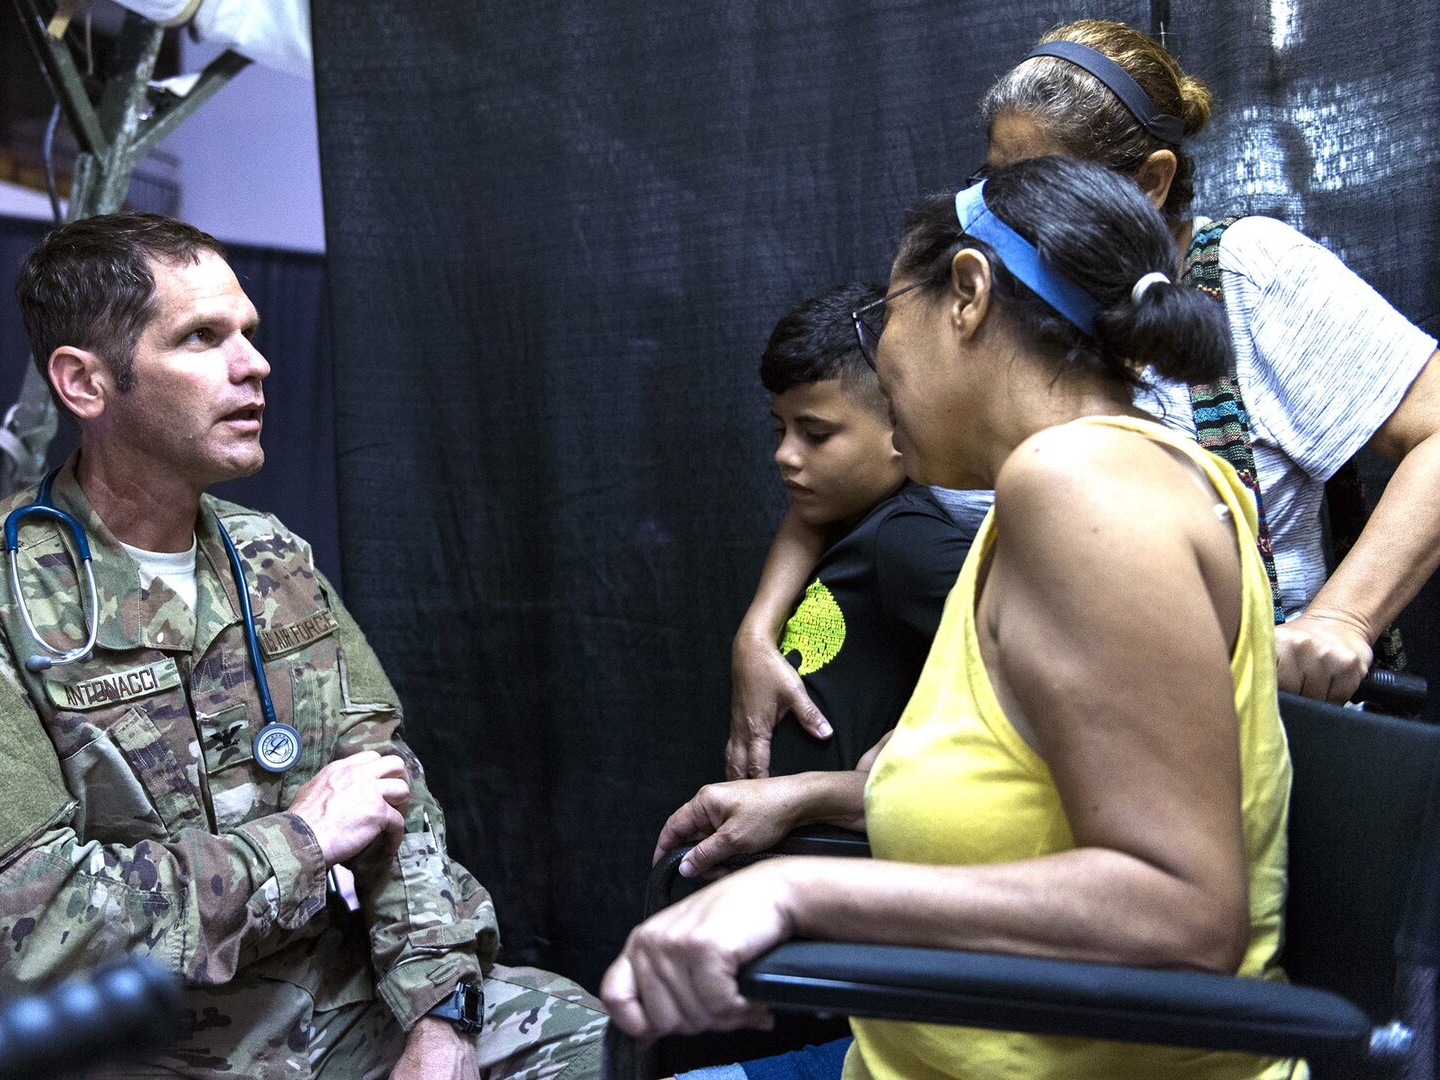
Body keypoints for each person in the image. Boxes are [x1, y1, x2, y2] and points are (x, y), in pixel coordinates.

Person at [0, 212, 605, 1079]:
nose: (254, 364)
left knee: (574, 1033)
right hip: (119, 1046)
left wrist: (440, 1017)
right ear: (85, 384)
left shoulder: (270, 558)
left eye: (249, 333)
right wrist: (301, 842)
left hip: (323, 1007)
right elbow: (20, 935)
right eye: (203, 337)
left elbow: (393, 796)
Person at [604, 155, 1300, 1080]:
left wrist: (798, 891)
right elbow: (1022, 797)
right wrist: (810, 798)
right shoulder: (1064, 489)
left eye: (881, 315)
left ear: (966, 293)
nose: (880, 356)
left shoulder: (1079, 488)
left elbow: (1180, 910)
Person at [726, 18, 1440, 779]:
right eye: (998, 180)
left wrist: (1344, 617)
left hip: (1252, 744)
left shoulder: (1245, 276)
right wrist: (758, 632)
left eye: (1047, 182)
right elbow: (856, 452)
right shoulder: (995, 312)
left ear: (1151, 183)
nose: (1009, 213)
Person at [750, 282, 968, 777]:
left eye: (816, 434)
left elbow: (1022, 655)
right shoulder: (840, 522)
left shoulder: (908, 538)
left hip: (851, 844)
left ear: (900, 424)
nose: (784, 454)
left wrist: (923, 733)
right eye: (779, 430)